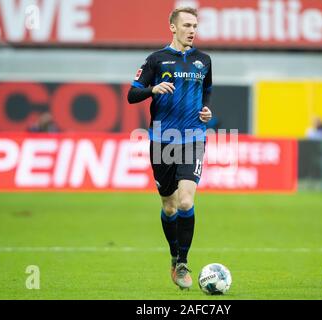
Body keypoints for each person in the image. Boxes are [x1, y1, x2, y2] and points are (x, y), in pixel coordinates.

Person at [127, 7, 213, 290]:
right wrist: (153, 89)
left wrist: (206, 111)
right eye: (187, 25)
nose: (192, 30)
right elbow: (132, 94)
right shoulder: (157, 60)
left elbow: (206, 91)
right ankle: (174, 255)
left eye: (195, 26)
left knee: (187, 201)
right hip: (162, 140)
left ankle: (184, 262)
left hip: (193, 138)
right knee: (170, 205)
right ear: (173, 28)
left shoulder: (204, 61)